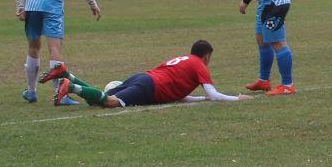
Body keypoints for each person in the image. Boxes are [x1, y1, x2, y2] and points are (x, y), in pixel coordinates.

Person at [52, 41, 240, 108]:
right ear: (207, 56)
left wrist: (200, 99)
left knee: (97, 100)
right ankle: (71, 86)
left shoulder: (183, 59)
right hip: (149, 87)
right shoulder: (199, 65)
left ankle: (68, 75)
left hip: (143, 78)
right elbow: (214, 95)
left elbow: (178, 95)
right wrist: (237, 99)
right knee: (111, 103)